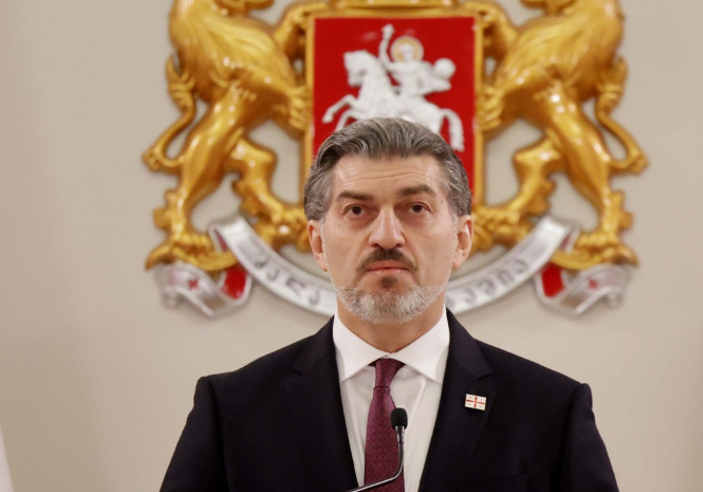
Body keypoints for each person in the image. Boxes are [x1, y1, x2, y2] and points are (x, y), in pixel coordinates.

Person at [160, 118, 619, 492]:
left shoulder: (549, 411)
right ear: (318, 244)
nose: (386, 236)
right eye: (357, 211)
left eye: (414, 208)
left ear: (461, 240)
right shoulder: (234, 411)